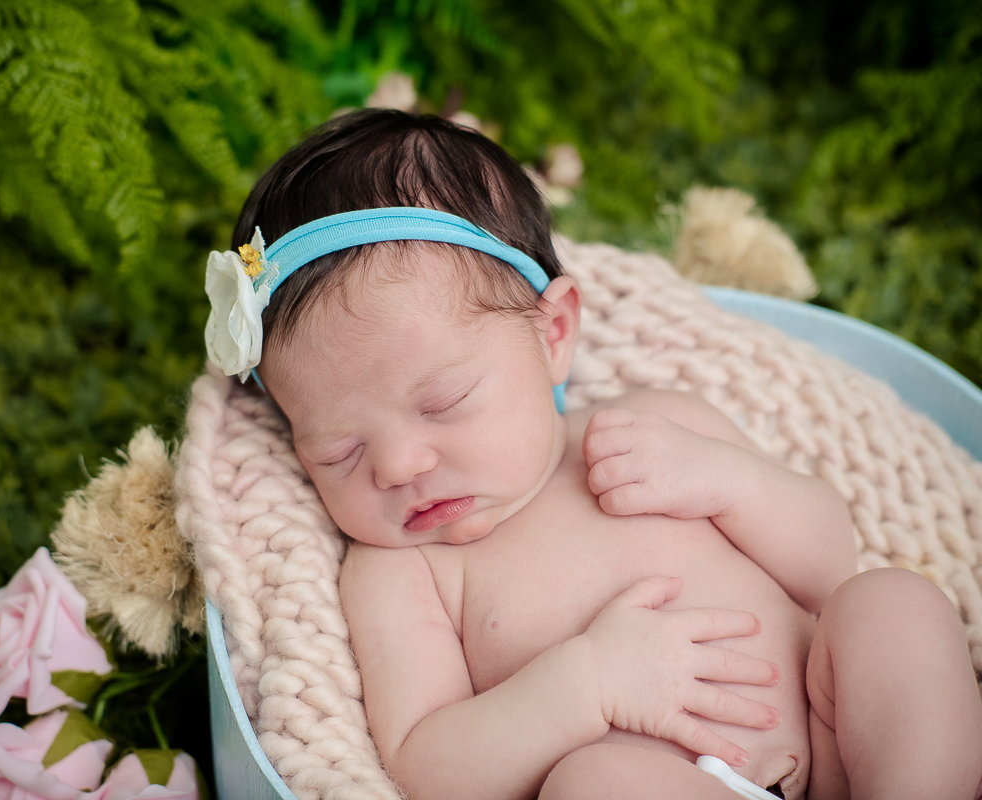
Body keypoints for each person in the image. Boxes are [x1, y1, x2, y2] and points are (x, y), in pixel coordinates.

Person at [202, 108, 982, 799]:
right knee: (591, 783)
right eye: (338, 450)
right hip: (653, 782)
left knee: (890, 603)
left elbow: (826, 566)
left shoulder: (654, 427)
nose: (398, 465)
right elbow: (425, 766)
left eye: (443, 403)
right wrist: (587, 685)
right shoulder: (402, 569)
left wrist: (731, 482)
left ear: (554, 334)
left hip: (832, 737)